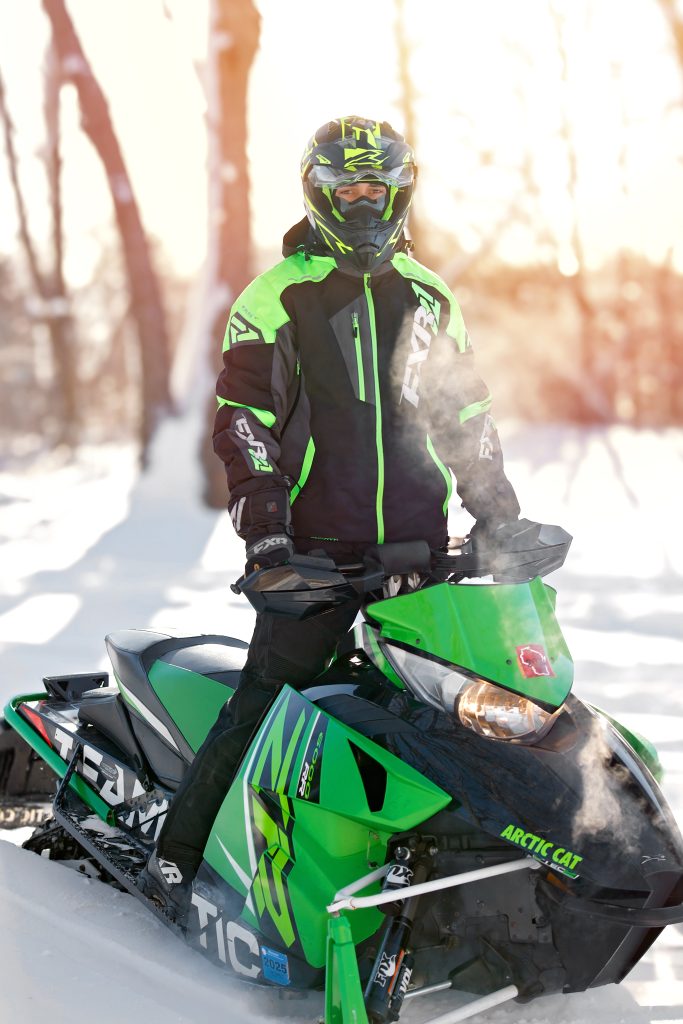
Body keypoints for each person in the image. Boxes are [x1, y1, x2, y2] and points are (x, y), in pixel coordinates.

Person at [140, 115, 521, 916]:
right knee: (267, 699)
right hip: (312, 554)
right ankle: (175, 861)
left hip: (420, 554)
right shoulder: (280, 295)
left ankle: (453, 882)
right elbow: (244, 421)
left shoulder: (429, 294)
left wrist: (498, 517)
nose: (360, 201)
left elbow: (465, 416)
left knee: (450, 718)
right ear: (317, 193)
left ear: (398, 192)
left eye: (373, 187)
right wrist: (268, 534)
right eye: (344, 188)